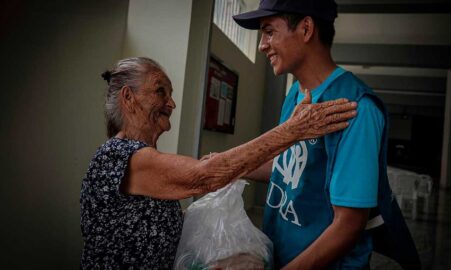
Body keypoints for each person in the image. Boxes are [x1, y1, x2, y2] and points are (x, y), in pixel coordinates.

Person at [80, 57, 357, 269]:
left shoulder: (141, 158)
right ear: (128, 97)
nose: (172, 103)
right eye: (160, 92)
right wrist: (294, 130)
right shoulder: (117, 156)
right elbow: (205, 177)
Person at [233, 0, 420, 269]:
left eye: (269, 31)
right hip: (284, 255)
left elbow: (349, 225)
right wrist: (228, 168)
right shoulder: (295, 95)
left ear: (307, 28)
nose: (262, 45)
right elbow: (288, 167)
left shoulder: (356, 108)